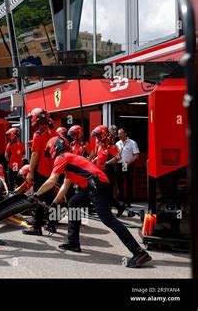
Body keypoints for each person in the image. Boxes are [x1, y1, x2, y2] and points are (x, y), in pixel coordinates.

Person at [34, 136, 152, 268]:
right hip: (94, 184)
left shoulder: (62, 158)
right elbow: (64, 187)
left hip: (96, 185)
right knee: (73, 203)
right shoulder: (69, 161)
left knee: (107, 218)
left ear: (54, 148)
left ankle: (138, 252)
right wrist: (54, 205)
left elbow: (52, 181)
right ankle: (73, 243)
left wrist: (36, 195)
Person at [23, 107, 55, 236]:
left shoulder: (38, 134)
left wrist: (30, 172)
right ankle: (51, 225)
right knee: (51, 198)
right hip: (52, 171)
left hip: (41, 170)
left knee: (38, 197)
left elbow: (35, 155)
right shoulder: (53, 132)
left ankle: (36, 226)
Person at [91, 125, 124, 214]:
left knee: (107, 193)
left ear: (103, 134)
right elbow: (99, 156)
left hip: (107, 172)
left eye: (98, 135)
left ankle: (116, 207)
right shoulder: (100, 144)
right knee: (99, 191)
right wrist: (92, 161)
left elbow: (118, 157)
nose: (97, 137)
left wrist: (107, 162)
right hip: (99, 171)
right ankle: (112, 207)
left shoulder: (110, 145)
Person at [115, 128, 140, 215]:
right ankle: (121, 203)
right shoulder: (117, 143)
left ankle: (128, 202)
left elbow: (136, 155)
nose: (119, 135)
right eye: (118, 133)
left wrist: (128, 164)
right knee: (120, 184)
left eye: (121, 133)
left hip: (128, 165)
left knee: (129, 184)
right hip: (119, 165)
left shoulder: (132, 143)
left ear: (125, 134)